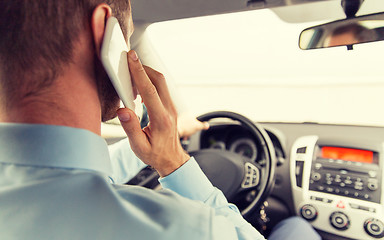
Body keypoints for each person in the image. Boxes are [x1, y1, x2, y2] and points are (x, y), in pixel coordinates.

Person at [0, 1, 321, 239]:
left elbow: (62, 167)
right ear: (102, 32)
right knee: (296, 228)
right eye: (125, 43)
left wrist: (156, 145)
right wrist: (174, 162)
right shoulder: (188, 229)